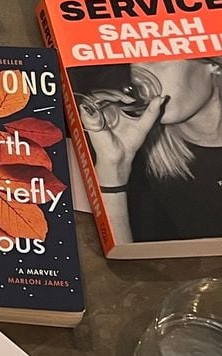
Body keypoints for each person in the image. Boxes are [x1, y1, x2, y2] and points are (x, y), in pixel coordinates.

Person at [73, 58, 222, 245]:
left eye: (153, 59)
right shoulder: (143, 169)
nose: (137, 79)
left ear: (213, 63)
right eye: (129, 64)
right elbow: (123, 262)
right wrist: (113, 169)